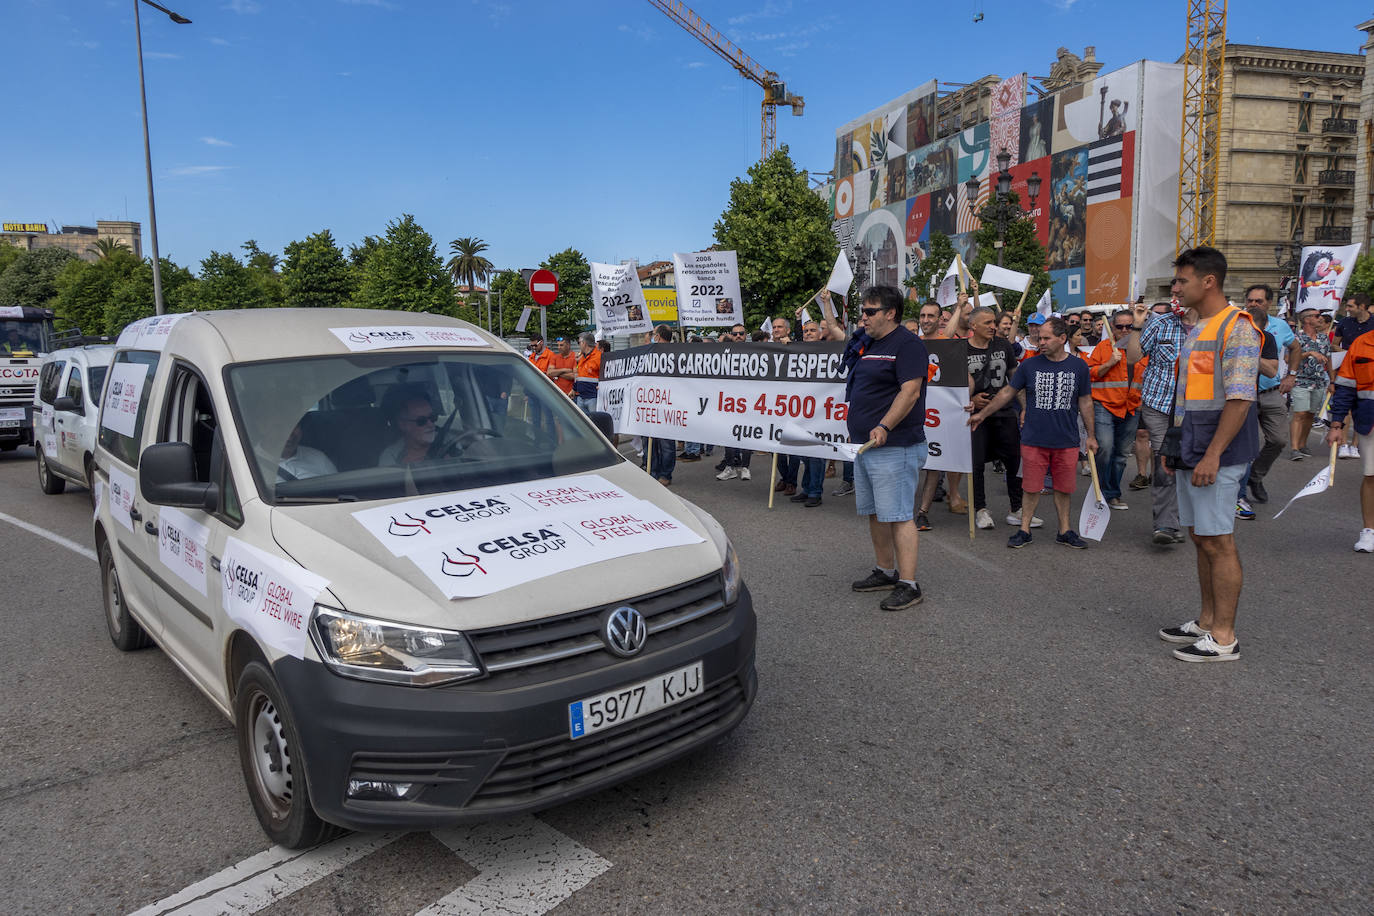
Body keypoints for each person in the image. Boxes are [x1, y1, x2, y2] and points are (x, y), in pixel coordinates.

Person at [1157, 246, 1262, 663]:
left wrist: (1213, 454)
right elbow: (1189, 397)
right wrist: (1176, 448)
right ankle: (1205, 621)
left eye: (1182, 280)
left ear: (1208, 281)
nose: (1175, 287)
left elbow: (1240, 398)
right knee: (1202, 537)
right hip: (1193, 446)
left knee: (1218, 540)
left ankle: (1223, 637)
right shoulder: (1200, 326)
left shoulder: (1237, 327)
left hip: (1216, 451)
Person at [970, 316, 1095, 549]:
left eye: (1047, 338)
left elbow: (1086, 402)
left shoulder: (1079, 366)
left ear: (1062, 338)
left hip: (1066, 440)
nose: (1041, 342)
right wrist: (983, 414)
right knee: (1030, 486)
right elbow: (1008, 393)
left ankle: (1065, 530)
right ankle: (1024, 529)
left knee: (1064, 488)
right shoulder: (1029, 365)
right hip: (1033, 439)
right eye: (1039, 338)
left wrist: (1091, 436)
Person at [844, 285, 930, 612]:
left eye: (870, 311)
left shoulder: (908, 345)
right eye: (862, 311)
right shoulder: (869, 343)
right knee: (876, 513)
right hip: (866, 447)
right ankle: (885, 570)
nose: (863, 317)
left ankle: (909, 584)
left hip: (895, 444)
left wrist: (884, 425)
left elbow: (909, 393)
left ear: (890, 313)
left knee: (898, 515)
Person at [1128, 300, 1190, 545]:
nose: (1176, 295)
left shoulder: (1212, 326)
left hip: (1196, 407)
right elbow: (1133, 357)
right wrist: (1137, 325)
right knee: (1164, 459)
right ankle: (1165, 523)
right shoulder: (1160, 323)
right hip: (1160, 405)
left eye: (1180, 288)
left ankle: (1183, 519)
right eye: (1174, 290)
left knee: (1189, 462)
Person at [963, 306, 1028, 530]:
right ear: (973, 326)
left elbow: (1015, 379)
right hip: (976, 416)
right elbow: (953, 388)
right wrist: (971, 398)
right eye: (987, 323)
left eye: (994, 322)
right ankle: (980, 509)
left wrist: (1024, 408)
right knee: (977, 463)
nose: (993, 326)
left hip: (1004, 412)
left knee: (1014, 460)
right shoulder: (961, 350)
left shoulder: (1003, 346)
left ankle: (1016, 508)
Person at [1239, 284, 1297, 504]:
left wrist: (1291, 375)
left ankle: (1255, 476)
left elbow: (1296, 348)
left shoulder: (1280, 326)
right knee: (1245, 444)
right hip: (1244, 394)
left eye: (1259, 301)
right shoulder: (1238, 323)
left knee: (1279, 439)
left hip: (1271, 391)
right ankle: (1239, 494)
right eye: (1250, 300)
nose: (1254, 304)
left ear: (1269, 303)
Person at [1085, 310, 1144, 511]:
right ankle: (1099, 491)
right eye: (1120, 326)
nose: (1125, 330)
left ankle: (1112, 494)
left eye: (1129, 326)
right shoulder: (1103, 347)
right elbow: (1090, 373)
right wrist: (1110, 362)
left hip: (1131, 407)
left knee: (1121, 454)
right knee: (1106, 449)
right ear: (1112, 327)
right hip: (1105, 405)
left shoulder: (1142, 348)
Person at [1326, 324, 1374, 552]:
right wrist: (1337, 424)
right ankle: (1369, 531)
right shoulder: (1361, 343)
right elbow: (1345, 387)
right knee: (1371, 477)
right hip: (1370, 422)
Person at [1334, 292, 1373, 459]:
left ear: (1362, 307)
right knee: (1347, 408)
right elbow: (1334, 344)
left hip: (1367, 371)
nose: (1347, 309)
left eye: (1350, 306)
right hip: (1347, 368)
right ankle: (1343, 444)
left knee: (1362, 409)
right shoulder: (1344, 322)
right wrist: (1350, 353)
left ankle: (1356, 445)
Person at [1288, 308, 1330, 461]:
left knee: (1310, 415)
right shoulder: (1296, 337)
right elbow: (1288, 358)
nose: (1320, 318)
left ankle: (1302, 444)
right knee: (1300, 413)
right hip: (1301, 380)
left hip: (1319, 381)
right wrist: (1309, 353)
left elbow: (1329, 359)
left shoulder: (1324, 338)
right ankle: (1294, 448)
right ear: (1307, 319)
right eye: (1317, 316)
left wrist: (1332, 380)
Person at [378, 386, 454, 467]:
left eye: (432, 417)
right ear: (403, 425)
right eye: (421, 421)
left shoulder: (449, 441)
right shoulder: (391, 457)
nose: (431, 424)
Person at [648, 324, 677, 485]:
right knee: (652, 442)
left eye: (654, 334)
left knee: (666, 444)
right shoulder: (650, 352)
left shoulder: (675, 353)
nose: (653, 337)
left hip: (668, 405)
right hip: (651, 404)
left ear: (658, 336)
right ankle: (653, 472)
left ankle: (665, 474)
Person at [571, 331, 601, 413]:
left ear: (584, 343)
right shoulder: (582, 358)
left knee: (594, 423)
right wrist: (574, 389)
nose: (579, 345)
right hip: (581, 397)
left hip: (593, 398)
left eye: (579, 342)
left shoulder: (598, 357)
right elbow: (579, 376)